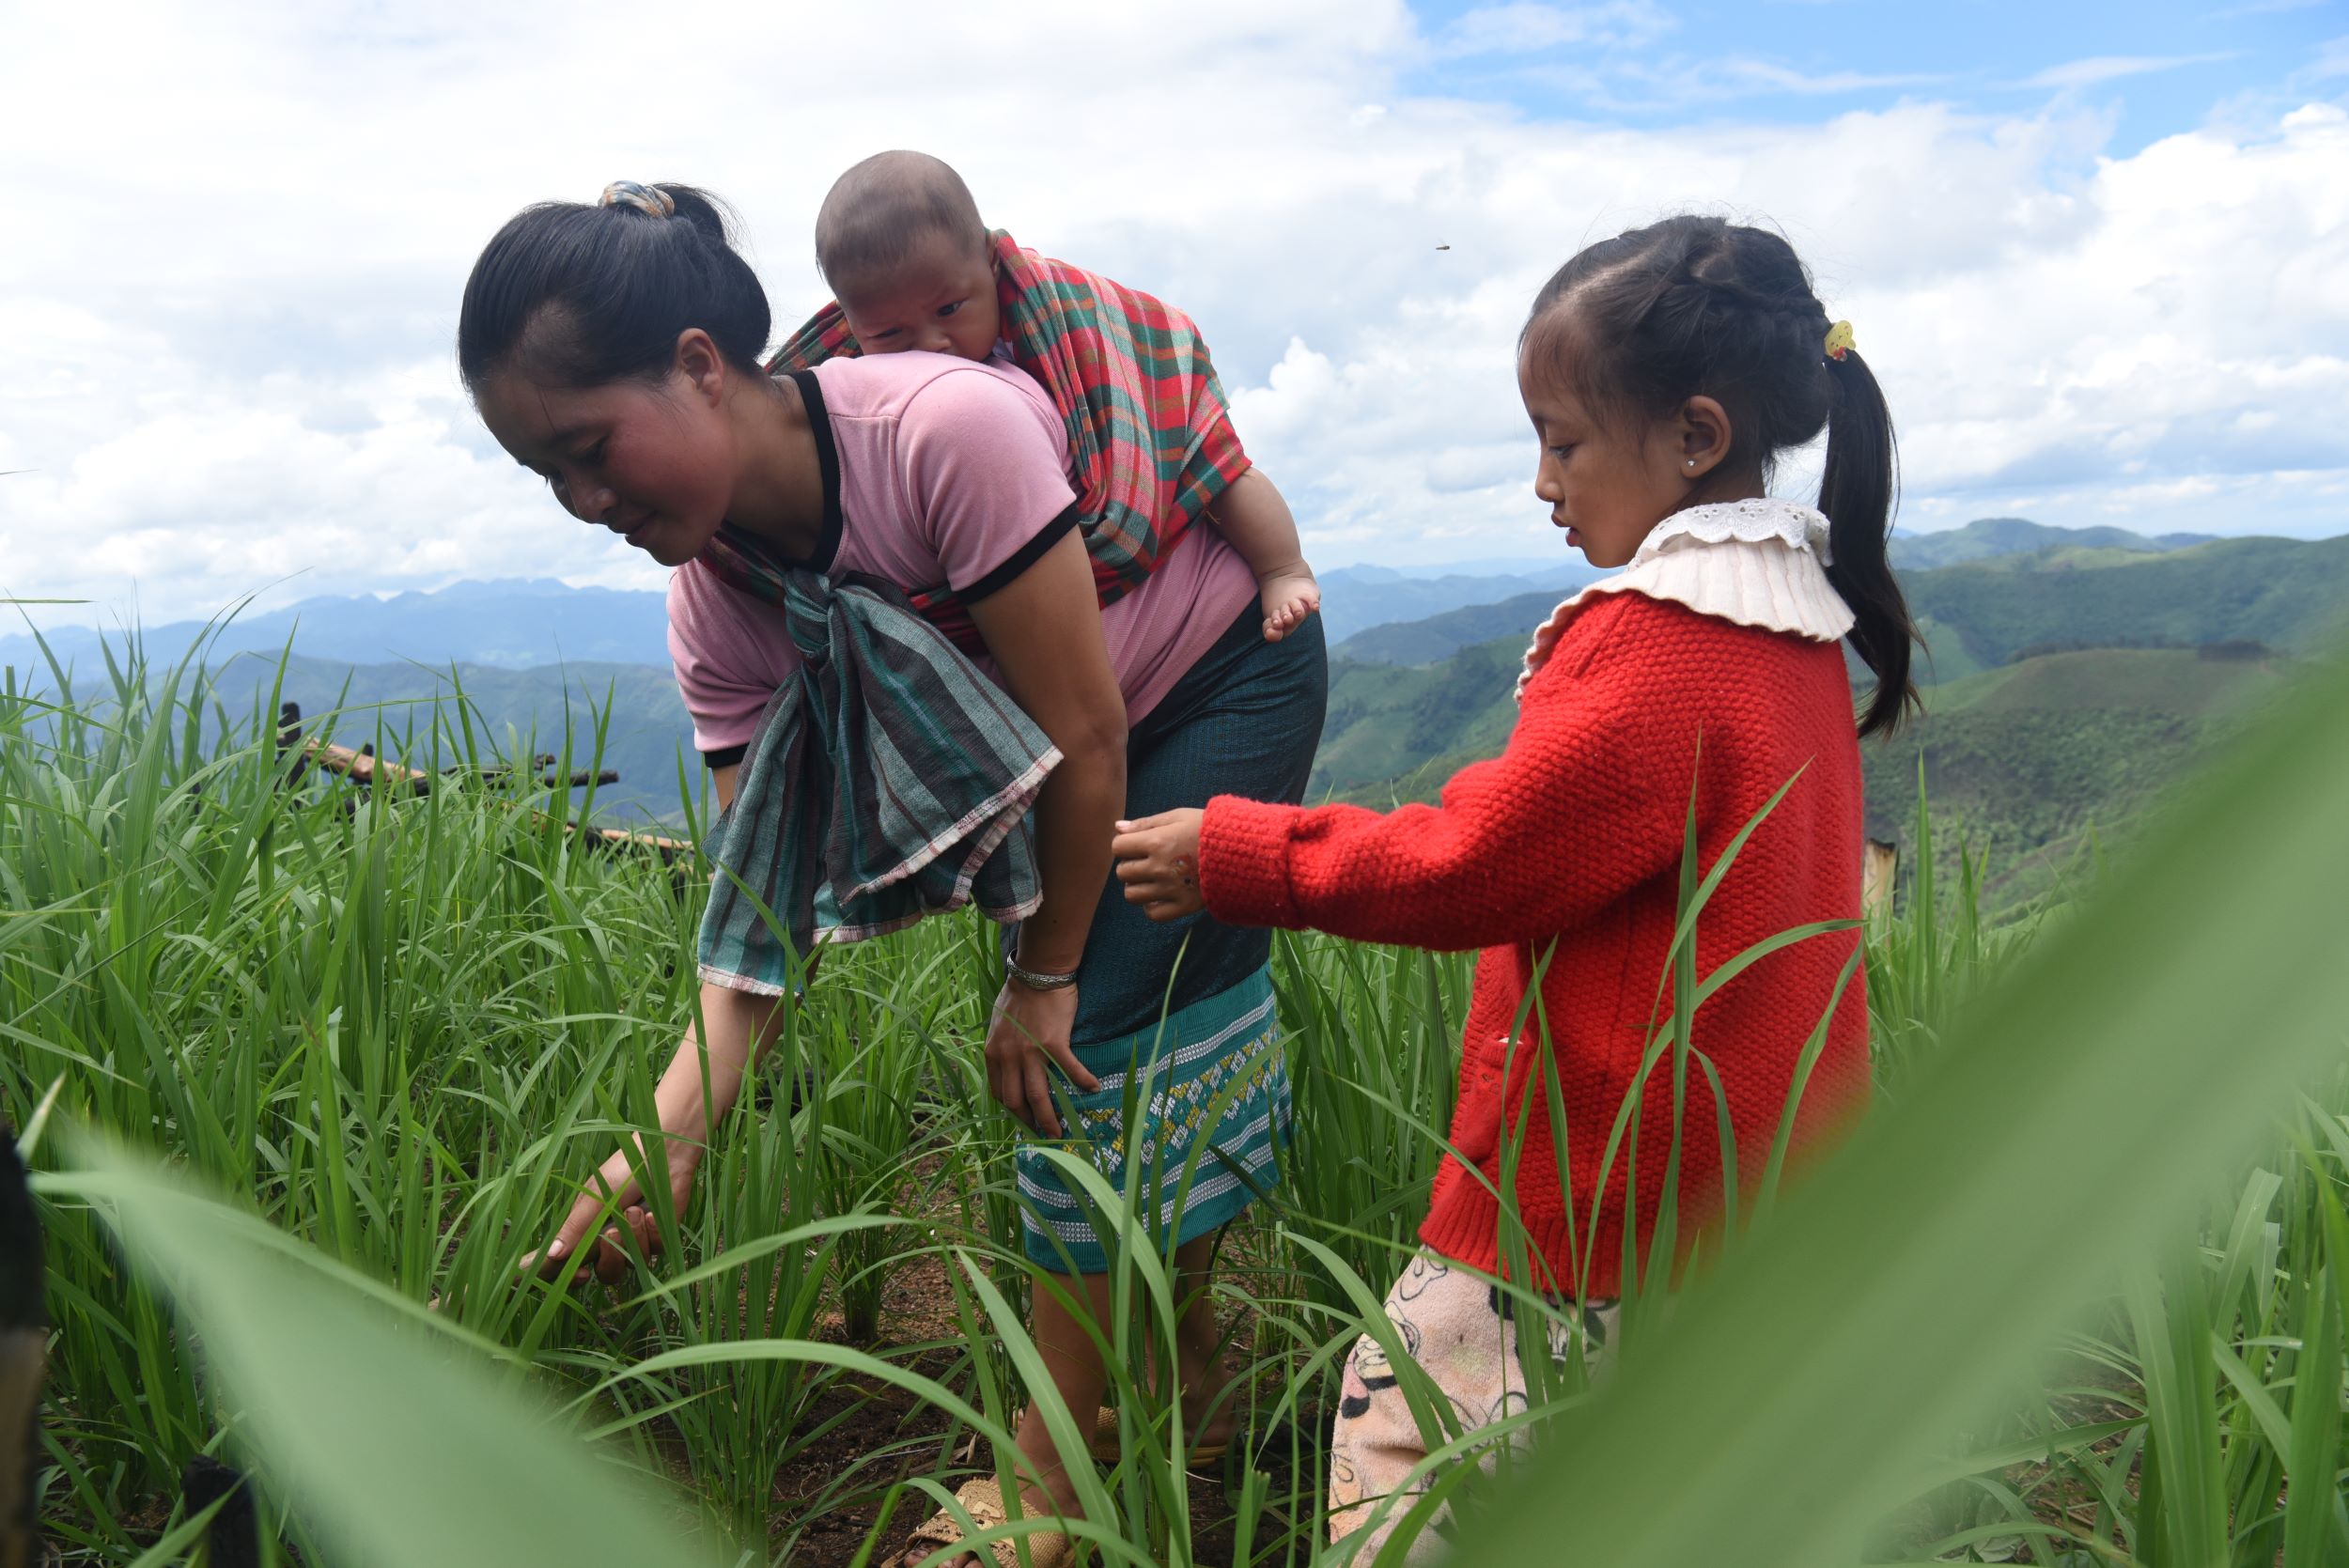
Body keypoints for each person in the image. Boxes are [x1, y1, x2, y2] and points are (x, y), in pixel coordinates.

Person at [457, 180, 1326, 1568]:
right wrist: (672, 1139)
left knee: (1086, 1032)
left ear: (697, 363)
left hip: (1216, 683)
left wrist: (1039, 976)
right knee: (1120, 1033)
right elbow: (764, 896)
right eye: (546, 476)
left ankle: (1046, 1477)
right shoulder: (722, 601)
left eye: (590, 448)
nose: (583, 502)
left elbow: (1091, 734)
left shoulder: (943, 427)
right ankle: (1188, 1378)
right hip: (1074, 740)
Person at [1112, 214, 1917, 1561]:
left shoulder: (1664, 649)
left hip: (1579, 1204)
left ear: (1696, 438)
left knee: (1404, 1449)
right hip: (1739, 1200)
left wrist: (1233, 854)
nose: (1543, 481)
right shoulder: (1793, 638)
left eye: (1564, 438)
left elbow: (1476, 859)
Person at [786, 148, 1320, 644]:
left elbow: (1115, 351)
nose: (932, 344)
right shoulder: (850, 390)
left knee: (1220, 473)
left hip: (1130, 445)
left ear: (992, 263)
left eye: (949, 310)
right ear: (851, 324)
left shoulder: (1049, 319)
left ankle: (1283, 568)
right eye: (889, 335)